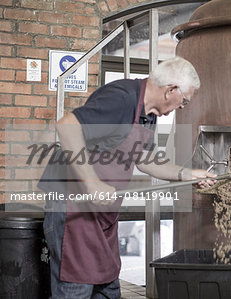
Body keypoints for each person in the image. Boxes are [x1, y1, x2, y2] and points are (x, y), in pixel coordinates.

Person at [39, 56, 216, 298]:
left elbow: (145, 160)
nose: (182, 107)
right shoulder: (121, 98)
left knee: (108, 289)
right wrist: (92, 183)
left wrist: (188, 175)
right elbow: (67, 126)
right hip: (74, 211)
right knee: (75, 289)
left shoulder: (149, 114)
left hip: (102, 216)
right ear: (170, 90)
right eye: (184, 101)